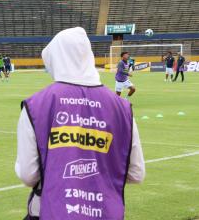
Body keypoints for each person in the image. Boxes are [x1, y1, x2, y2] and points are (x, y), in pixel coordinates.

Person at [15, 27, 145, 220]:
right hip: (107, 213)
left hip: (50, 211)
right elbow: (136, 173)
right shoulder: (122, 108)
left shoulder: (36, 105)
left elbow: (28, 174)